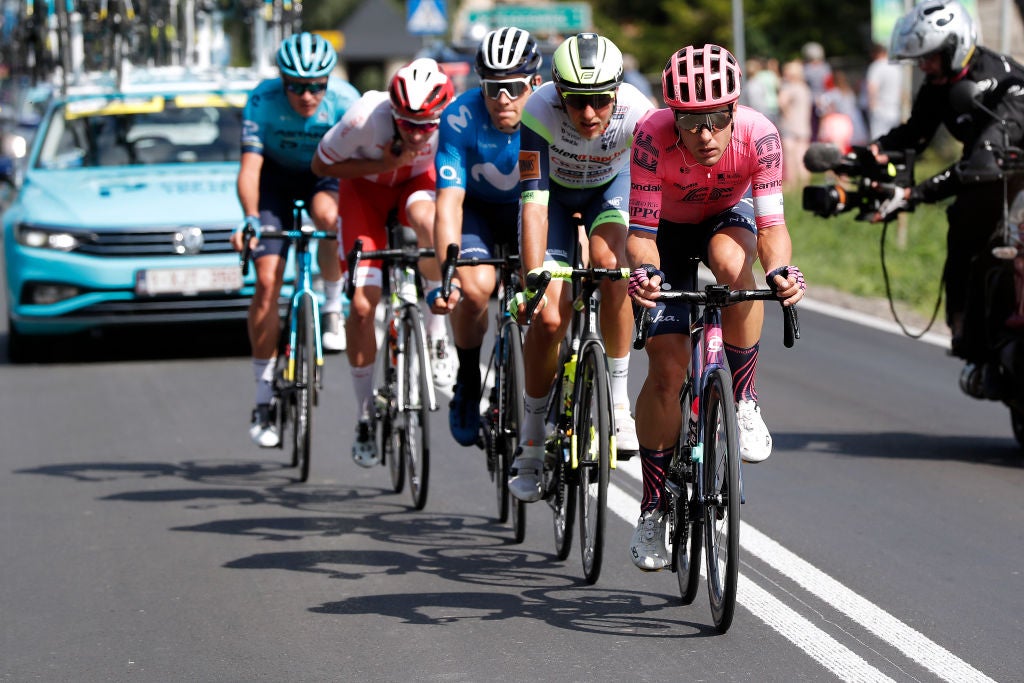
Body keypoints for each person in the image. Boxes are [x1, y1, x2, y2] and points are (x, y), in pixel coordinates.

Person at [625, 44, 806, 570]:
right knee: (665, 370)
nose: (705, 136)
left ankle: (744, 399)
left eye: (716, 120)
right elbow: (639, 233)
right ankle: (654, 505)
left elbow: (772, 226)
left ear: (733, 111)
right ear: (673, 117)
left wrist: (779, 272)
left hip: (727, 216)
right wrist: (646, 272)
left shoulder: (760, 134)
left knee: (734, 267)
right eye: (690, 122)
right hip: (664, 232)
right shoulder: (650, 137)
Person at [509, 32, 654, 503]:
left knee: (612, 267)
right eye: (576, 101)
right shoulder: (537, 110)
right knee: (550, 315)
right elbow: (533, 205)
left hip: (608, 192)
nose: (589, 113)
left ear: (616, 92)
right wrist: (534, 282)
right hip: (551, 199)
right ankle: (530, 441)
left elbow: (651, 196)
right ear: (557, 93)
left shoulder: (638, 111)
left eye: (599, 101)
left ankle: (616, 401)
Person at [869, 0, 1024, 380]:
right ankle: (968, 331)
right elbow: (913, 135)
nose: (924, 66)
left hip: (1013, 179)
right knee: (965, 225)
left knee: (995, 229)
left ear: (954, 47)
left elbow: (983, 163)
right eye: (921, 59)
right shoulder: (942, 84)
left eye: (930, 58)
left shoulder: (1009, 83)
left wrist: (914, 194)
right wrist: (869, 154)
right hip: (988, 181)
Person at [312, 58, 455, 466]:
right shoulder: (363, 118)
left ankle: (436, 332)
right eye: (406, 124)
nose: (416, 134)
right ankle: (363, 415)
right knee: (361, 307)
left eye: (426, 126)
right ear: (392, 111)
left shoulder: (454, 118)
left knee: (431, 221)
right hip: (365, 193)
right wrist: (383, 164)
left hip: (416, 186)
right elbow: (320, 165)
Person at [231, 32, 360, 448]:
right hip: (275, 181)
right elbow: (250, 169)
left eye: (316, 86)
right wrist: (250, 219)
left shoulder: (345, 99)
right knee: (267, 282)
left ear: (328, 82)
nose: (307, 96)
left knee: (328, 217)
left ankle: (331, 303)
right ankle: (263, 394)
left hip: (325, 173)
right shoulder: (262, 101)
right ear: (281, 81)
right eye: (296, 86)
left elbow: (358, 165)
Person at [429, 27, 543, 446]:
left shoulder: (550, 112)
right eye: (492, 89)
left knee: (556, 292)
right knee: (476, 291)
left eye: (513, 88)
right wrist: (448, 276)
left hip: (531, 209)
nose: (502, 100)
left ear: (535, 83)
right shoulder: (460, 116)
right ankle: (466, 374)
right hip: (476, 211)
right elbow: (448, 205)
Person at [777, 59, 813, 191]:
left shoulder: (789, 87)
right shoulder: (804, 88)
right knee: (802, 156)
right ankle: (805, 184)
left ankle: (792, 184)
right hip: (803, 126)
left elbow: (781, 101)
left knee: (790, 157)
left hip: (790, 126)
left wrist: (786, 113)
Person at [863, 42, 904, 140]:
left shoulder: (876, 66)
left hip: (880, 111)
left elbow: (872, 88)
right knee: (892, 140)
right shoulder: (896, 67)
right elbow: (901, 90)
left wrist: (872, 106)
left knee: (877, 141)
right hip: (895, 110)